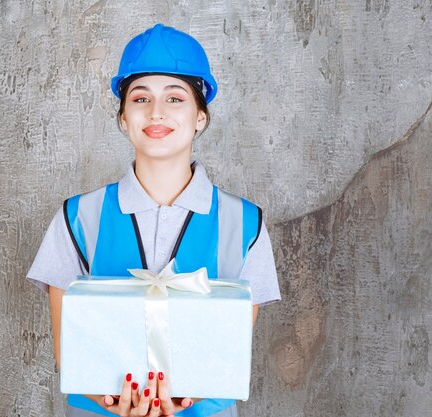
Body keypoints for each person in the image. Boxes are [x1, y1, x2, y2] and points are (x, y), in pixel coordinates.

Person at [27, 23, 281, 417]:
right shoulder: (76, 219)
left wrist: (186, 398)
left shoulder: (246, 225)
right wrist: (110, 399)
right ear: (124, 118)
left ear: (200, 116)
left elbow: (226, 358)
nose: (156, 112)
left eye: (175, 98)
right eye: (140, 98)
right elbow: (70, 359)